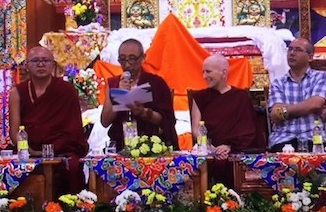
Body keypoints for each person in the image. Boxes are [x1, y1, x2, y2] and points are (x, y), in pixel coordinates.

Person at [9, 46, 88, 194]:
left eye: (45, 60)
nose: (40, 64)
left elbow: (73, 130)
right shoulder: (17, 92)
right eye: (35, 61)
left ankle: (70, 211)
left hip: (62, 150)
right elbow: (14, 131)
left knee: (72, 167)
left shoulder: (67, 90)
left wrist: (53, 149)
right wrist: (28, 150)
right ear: (26, 65)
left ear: (53, 65)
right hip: (29, 150)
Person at [191, 54, 265, 187]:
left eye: (208, 71)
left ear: (223, 72)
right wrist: (209, 147)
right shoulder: (199, 97)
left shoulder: (240, 97)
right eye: (203, 72)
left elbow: (249, 130)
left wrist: (229, 147)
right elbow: (196, 129)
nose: (204, 76)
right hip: (210, 154)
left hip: (235, 154)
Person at [101, 38, 178, 150]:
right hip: (121, 145)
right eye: (122, 59)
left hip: (151, 145)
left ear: (143, 58)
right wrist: (119, 95)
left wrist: (144, 113)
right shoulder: (114, 83)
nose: (127, 64)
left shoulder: (156, 83)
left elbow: (168, 121)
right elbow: (105, 122)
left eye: (132, 59)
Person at [268, 38, 326, 152]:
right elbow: (275, 113)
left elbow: (315, 104)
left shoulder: (321, 77)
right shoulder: (278, 82)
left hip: (314, 140)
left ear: (310, 57)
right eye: (290, 49)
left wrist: (285, 111)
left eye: (298, 50)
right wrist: (309, 107)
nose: (292, 53)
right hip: (283, 140)